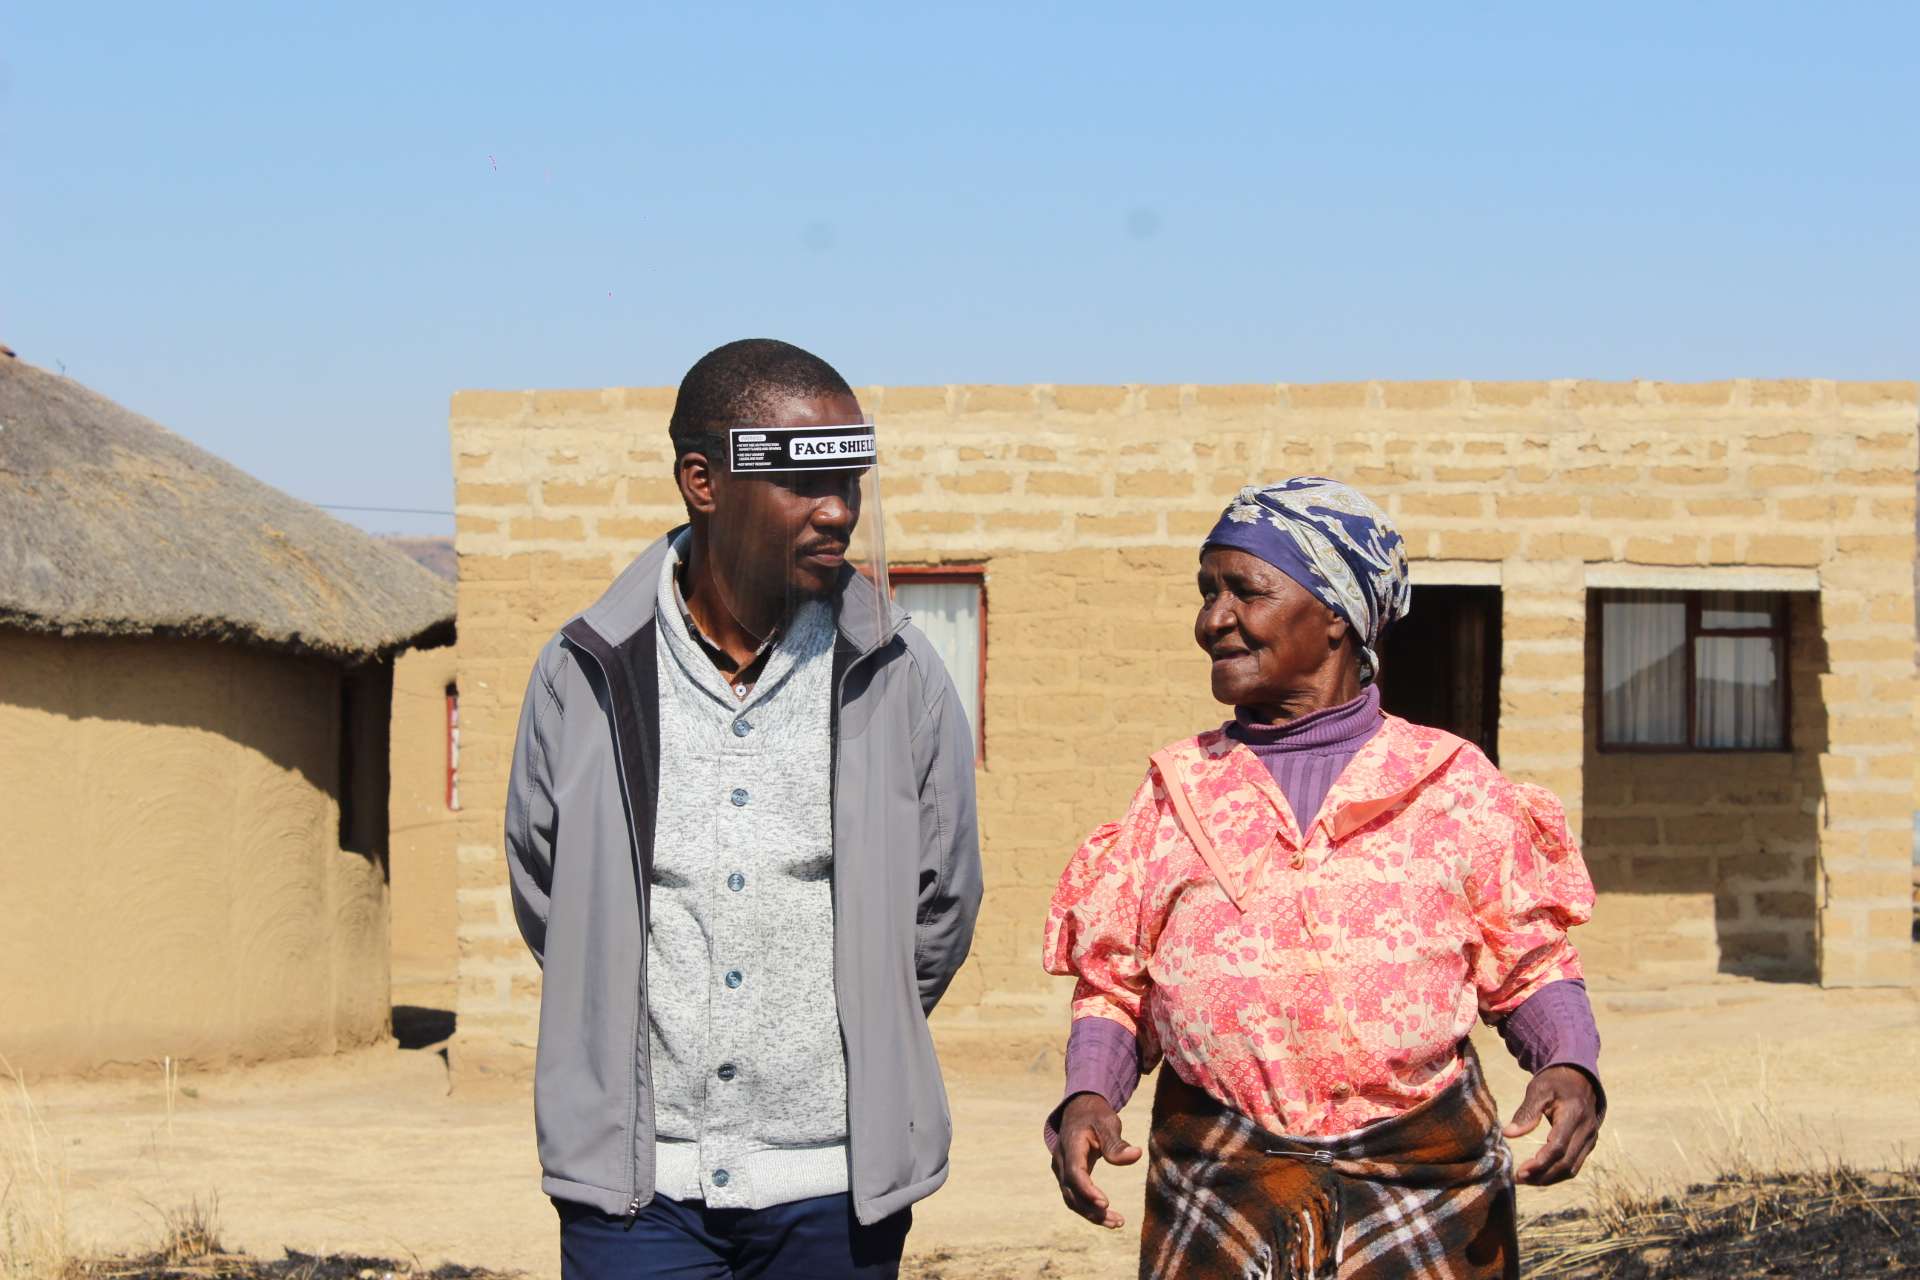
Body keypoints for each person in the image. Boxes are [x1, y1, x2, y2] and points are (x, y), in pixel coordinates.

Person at [1042, 477, 1603, 1280]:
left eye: (1246, 591)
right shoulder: (1177, 790)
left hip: (1428, 1180)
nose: (1213, 620)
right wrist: (1090, 1095)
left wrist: (1568, 1063)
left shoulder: (1449, 782)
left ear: (1335, 612)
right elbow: (1116, 980)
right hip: (1220, 1178)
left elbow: (1530, 961)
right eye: (1207, 593)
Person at [505, 338, 983, 1279]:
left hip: (835, 1189)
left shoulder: (900, 675)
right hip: (633, 1195)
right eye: (806, 483)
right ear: (703, 480)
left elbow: (941, 906)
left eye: (850, 481)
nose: (838, 510)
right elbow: (547, 890)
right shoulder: (585, 675)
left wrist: (862, 1013)